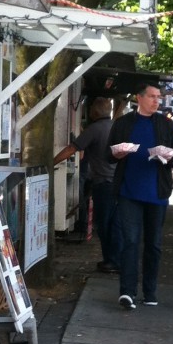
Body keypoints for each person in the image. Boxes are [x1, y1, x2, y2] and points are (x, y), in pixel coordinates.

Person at [108, 82, 173, 309]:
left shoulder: (166, 124)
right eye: (152, 96)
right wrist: (118, 153)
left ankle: (150, 291)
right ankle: (127, 292)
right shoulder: (123, 124)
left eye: (158, 97)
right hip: (128, 192)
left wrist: (168, 156)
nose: (157, 101)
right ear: (139, 98)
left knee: (153, 244)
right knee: (130, 241)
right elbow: (108, 154)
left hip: (157, 192)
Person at [56, 97, 120, 273]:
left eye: (90, 107)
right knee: (115, 223)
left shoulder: (94, 129)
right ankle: (116, 259)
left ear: (96, 111)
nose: (89, 110)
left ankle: (112, 261)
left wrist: (50, 162)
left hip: (104, 183)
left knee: (105, 223)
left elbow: (72, 149)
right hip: (118, 182)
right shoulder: (116, 126)